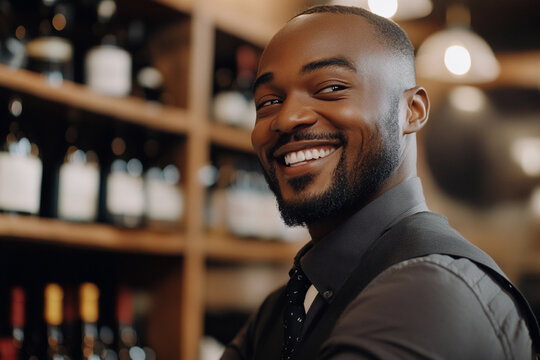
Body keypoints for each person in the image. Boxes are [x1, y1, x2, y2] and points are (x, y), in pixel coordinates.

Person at [221, 5, 539, 360]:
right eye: (269, 101)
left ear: (412, 111)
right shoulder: (287, 305)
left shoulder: (426, 292)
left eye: (331, 87)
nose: (287, 117)